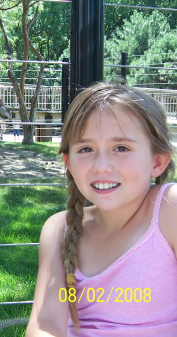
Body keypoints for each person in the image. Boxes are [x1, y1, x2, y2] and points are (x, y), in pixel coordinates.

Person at [25, 83, 177, 337]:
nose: (102, 166)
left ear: (157, 161)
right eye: (86, 149)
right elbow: (45, 323)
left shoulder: (169, 210)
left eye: (121, 148)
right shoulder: (58, 228)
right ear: (69, 163)